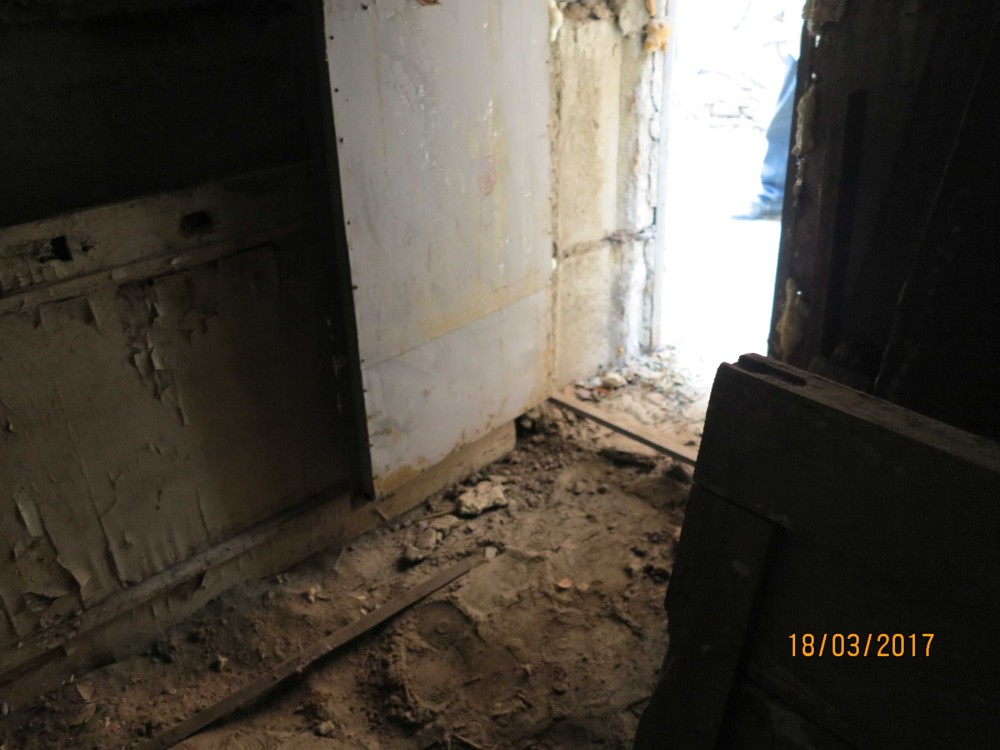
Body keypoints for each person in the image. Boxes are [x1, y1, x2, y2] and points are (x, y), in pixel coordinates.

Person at [733, 1, 803, 220]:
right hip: (801, 46)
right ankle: (776, 196)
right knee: (784, 123)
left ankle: (775, 195)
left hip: (815, 42)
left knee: (784, 123)